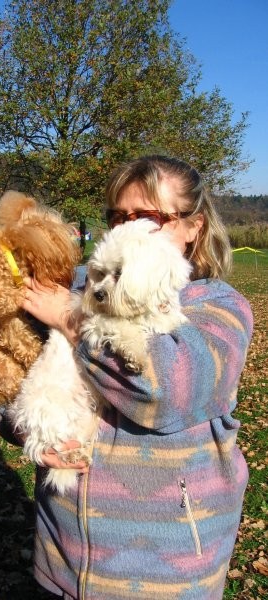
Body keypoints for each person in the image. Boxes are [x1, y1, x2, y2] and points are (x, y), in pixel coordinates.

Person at [18, 155, 253, 599]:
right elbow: (18, 375)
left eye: (148, 217)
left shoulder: (220, 307)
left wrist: (73, 321)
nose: (129, 228)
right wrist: (30, 431)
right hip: (63, 559)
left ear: (192, 226)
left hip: (168, 573)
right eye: (119, 216)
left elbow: (166, 392)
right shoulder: (82, 285)